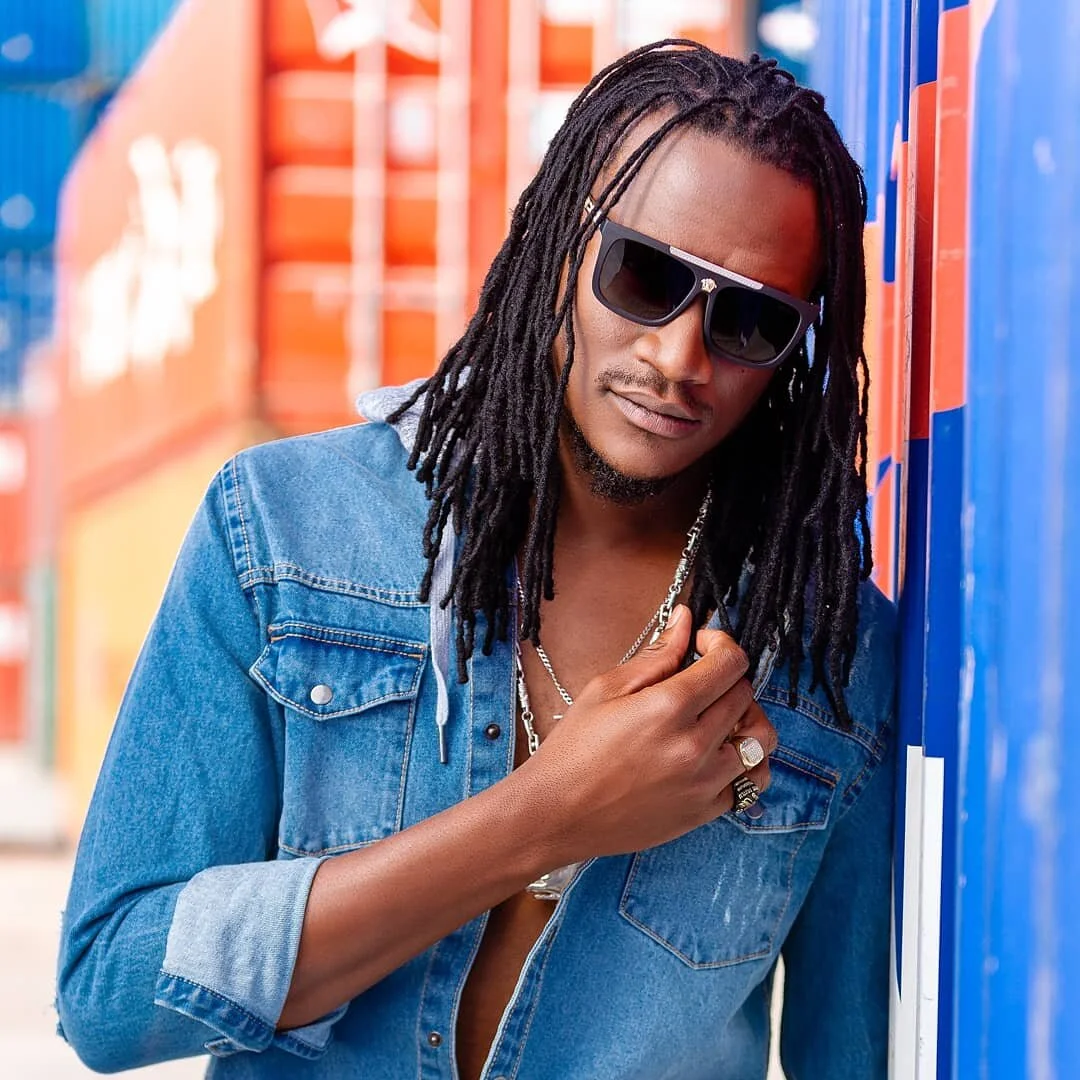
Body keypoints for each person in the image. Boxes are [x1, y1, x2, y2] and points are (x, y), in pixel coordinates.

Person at [56, 41, 896, 1079]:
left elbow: (845, 1054)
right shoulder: (285, 528)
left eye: (751, 320)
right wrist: (549, 816)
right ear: (554, 250)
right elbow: (109, 997)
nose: (681, 359)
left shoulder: (828, 655)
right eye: (645, 276)